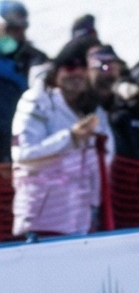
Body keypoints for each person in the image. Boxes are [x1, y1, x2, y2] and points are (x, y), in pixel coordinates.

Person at [11, 37, 108, 237]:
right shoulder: (36, 101)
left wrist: (96, 203)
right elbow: (23, 153)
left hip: (82, 218)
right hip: (42, 219)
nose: (78, 73)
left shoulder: (93, 108)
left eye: (84, 67)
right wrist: (70, 138)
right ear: (57, 71)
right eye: (71, 65)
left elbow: (105, 158)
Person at [0, 0, 44, 143]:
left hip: (16, 132)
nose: (18, 33)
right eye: (12, 28)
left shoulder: (34, 57)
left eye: (21, 28)